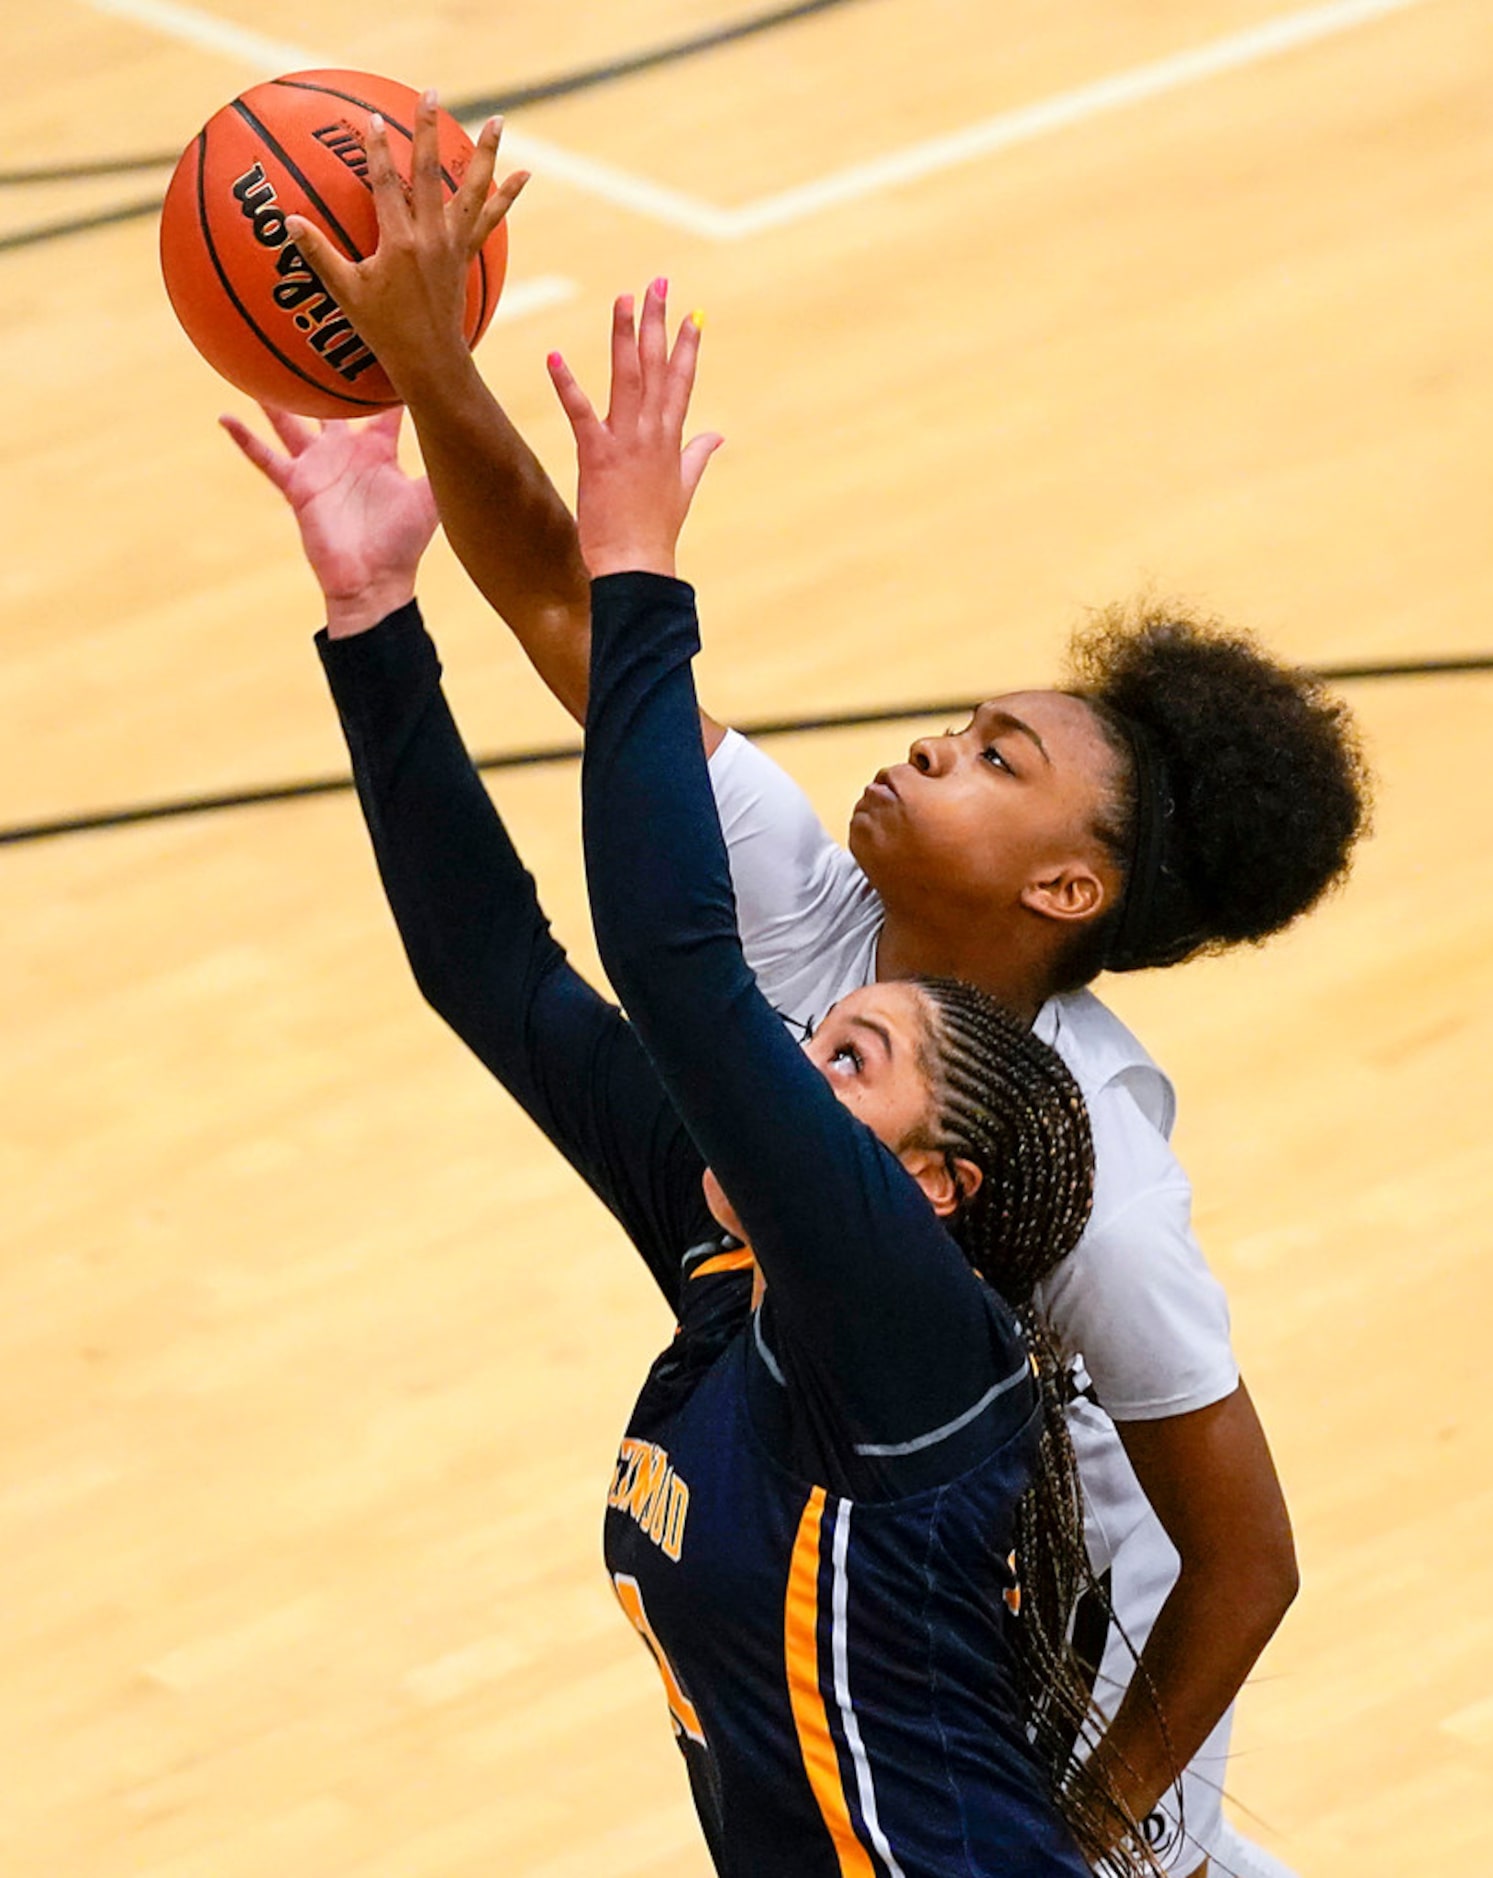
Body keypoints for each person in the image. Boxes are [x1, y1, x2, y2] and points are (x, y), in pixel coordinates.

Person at [242, 97, 1372, 1878]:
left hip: (1025, 1731)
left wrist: (1090, 1826)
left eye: (997, 757)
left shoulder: (1096, 1185)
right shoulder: (836, 920)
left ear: (1063, 888)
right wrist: (429, 375)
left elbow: (1247, 1556)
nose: (938, 741)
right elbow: (561, 625)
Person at [310, 292, 1168, 1877]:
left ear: (925, 1193)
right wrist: (372, 619)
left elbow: (674, 962)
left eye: (848, 1062)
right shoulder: (737, 1267)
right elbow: (495, 974)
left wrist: (641, 576)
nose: (787, 1073)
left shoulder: (910, 1337)